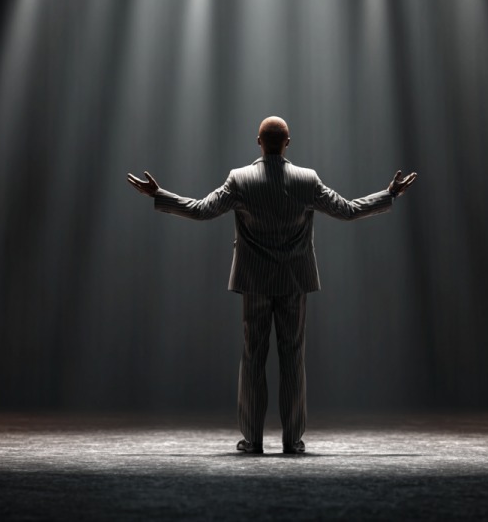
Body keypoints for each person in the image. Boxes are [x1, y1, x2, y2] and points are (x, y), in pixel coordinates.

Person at [126, 116, 417, 455]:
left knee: (253, 358)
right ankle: (293, 441)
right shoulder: (307, 180)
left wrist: (158, 194)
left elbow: (201, 211)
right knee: (293, 359)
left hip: (254, 281)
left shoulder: (240, 179)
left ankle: (252, 440)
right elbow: (349, 211)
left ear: (258, 142)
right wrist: (389, 193)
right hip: (294, 280)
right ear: (288, 143)